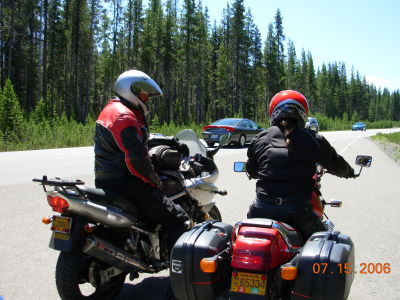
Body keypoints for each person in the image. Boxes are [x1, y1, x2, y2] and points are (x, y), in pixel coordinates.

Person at [94, 69, 190, 251]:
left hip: (106, 179)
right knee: (179, 220)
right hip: (130, 184)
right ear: (131, 91)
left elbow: (135, 140)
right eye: (144, 94)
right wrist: (155, 181)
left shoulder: (112, 110)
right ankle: (179, 274)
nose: (147, 99)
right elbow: (136, 161)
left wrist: (168, 140)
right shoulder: (125, 116)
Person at [245, 90, 354, 241]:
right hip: (299, 212)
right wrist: (350, 172)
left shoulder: (260, 138)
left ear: (273, 112)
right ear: (302, 113)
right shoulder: (315, 139)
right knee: (324, 243)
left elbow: (251, 170)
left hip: (261, 208)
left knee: (243, 238)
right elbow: (335, 163)